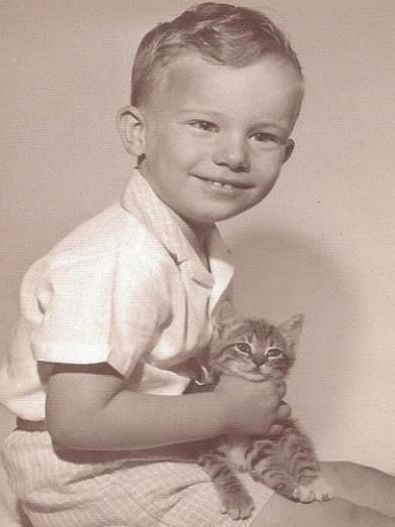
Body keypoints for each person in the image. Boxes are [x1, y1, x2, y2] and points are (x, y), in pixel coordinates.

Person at [1, 2, 395, 526]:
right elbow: (75, 421)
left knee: (372, 488)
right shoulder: (117, 259)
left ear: (287, 151)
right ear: (137, 133)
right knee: (348, 520)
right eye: (205, 124)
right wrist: (230, 411)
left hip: (168, 448)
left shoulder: (194, 244)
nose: (234, 155)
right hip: (89, 474)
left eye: (263, 135)